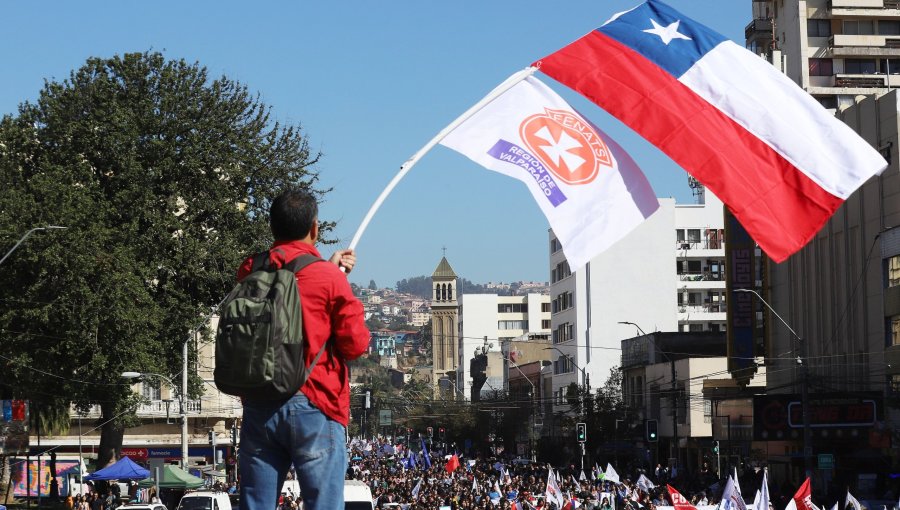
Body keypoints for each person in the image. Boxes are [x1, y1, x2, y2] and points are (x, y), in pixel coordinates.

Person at [237, 189, 370, 510]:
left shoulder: (249, 270)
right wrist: (334, 275)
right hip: (316, 403)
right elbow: (356, 344)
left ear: (272, 227)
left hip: (260, 404)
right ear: (315, 228)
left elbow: (289, 283)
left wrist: (328, 269)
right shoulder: (327, 277)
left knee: (256, 504)